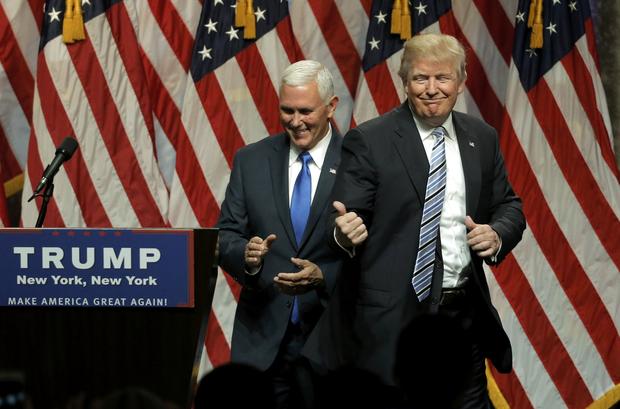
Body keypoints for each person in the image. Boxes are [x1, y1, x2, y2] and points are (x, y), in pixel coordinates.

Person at [306, 33, 526, 408]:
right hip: (392, 321)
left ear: (461, 82)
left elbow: (509, 206)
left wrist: (498, 233)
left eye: (442, 78)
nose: (431, 89)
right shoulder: (371, 139)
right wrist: (345, 233)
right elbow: (338, 220)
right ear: (404, 81)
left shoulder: (481, 138)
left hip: (462, 317)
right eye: (421, 78)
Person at [217, 60, 343, 409]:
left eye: (305, 110)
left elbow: (378, 249)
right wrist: (246, 255)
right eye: (287, 110)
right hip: (263, 341)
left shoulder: (358, 162)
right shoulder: (251, 160)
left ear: (331, 107)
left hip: (332, 339)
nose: (295, 120)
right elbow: (225, 234)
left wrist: (324, 276)